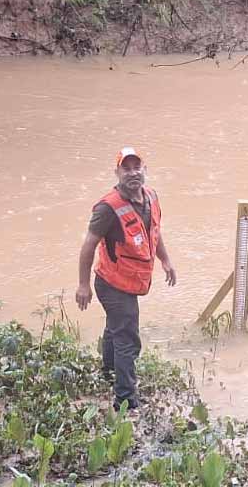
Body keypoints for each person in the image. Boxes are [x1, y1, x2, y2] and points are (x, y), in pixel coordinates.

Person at [76, 146, 177, 410]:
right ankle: (126, 400)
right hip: (111, 284)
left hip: (131, 280)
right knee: (127, 338)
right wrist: (83, 284)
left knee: (115, 328)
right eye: (126, 168)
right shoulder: (107, 208)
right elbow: (88, 246)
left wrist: (165, 260)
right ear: (117, 172)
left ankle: (108, 372)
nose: (133, 173)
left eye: (137, 167)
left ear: (145, 170)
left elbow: (153, 233)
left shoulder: (151, 197)